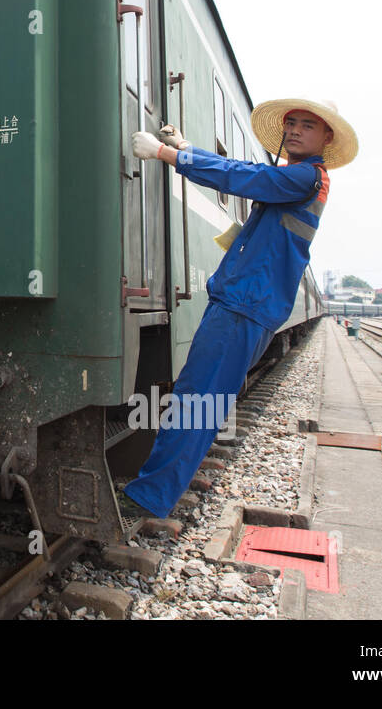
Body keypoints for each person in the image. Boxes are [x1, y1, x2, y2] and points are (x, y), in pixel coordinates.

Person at [118, 97, 358, 523]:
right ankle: (154, 490)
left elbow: (240, 176)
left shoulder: (304, 177)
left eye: (307, 124)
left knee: (197, 401)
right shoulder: (297, 179)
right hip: (246, 303)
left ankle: (150, 497)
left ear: (326, 137)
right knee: (199, 398)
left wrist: (168, 154)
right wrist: (189, 148)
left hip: (245, 305)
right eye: (292, 123)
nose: (296, 130)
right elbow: (248, 174)